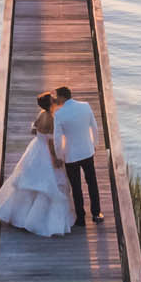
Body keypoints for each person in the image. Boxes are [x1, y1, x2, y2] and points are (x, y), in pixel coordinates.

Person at [0, 91, 73, 236]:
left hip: (36, 147)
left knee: (30, 179)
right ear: (50, 103)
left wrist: (40, 135)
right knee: (52, 183)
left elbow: (34, 128)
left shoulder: (41, 114)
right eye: (52, 99)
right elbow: (51, 142)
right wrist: (55, 158)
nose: (55, 99)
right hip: (46, 152)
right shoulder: (51, 118)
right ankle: (38, 221)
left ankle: (21, 215)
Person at [48, 84, 102, 227]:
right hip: (87, 152)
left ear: (62, 97)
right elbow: (94, 127)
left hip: (71, 156)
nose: (55, 99)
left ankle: (81, 218)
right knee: (92, 183)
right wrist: (94, 144)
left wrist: (59, 156)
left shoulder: (59, 114)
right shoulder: (85, 106)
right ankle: (96, 213)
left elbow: (58, 139)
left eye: (56, 96)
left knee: (76, 187)